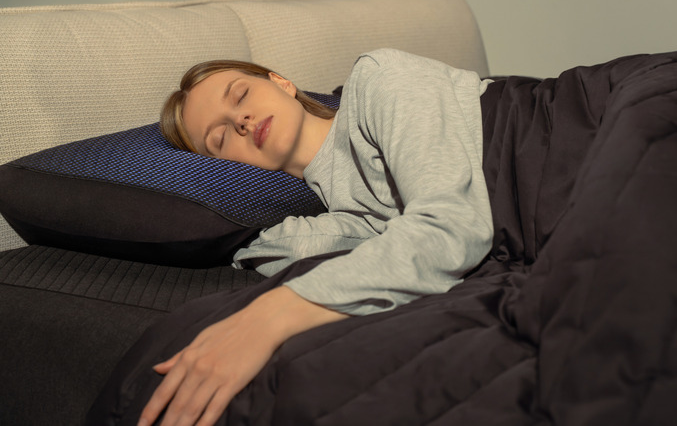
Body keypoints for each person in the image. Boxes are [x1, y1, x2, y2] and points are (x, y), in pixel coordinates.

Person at [137, 48, 494, 426]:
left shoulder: (379, 78)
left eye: (241, 95)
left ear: (281, 83)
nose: (240, 119)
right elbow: (301, 247)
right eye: (220, 137)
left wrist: (269, 317)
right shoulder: (337, 220)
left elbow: (452, 224)